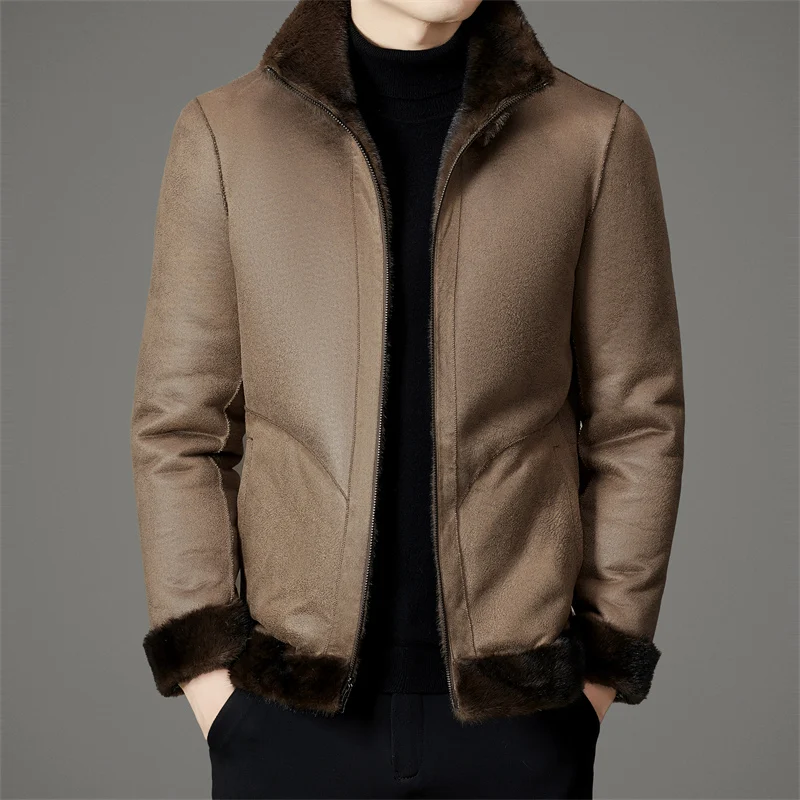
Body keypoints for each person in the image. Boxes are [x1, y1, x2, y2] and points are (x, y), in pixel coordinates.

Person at [129, 0, 685, 797]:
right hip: (286, 723)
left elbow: (638, 422)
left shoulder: (594, 136)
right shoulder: (227, 135)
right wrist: (213, 687)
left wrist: (593, 680)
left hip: (518, 726)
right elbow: (180, 426)